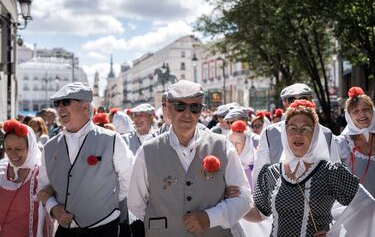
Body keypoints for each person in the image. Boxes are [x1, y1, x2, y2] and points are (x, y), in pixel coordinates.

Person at [128, 80, 252, 237]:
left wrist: (210, 217)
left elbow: (244, 198)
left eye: (194, 108)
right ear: (168, 108)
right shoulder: (147, 151)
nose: (187, 114)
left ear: (201, 110)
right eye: (180, 106)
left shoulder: (222, 146)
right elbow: (135, 204)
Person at [239, 100, 365, 236]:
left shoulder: (331, 172)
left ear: (315, 134)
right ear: (285, 133)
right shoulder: (271, 173)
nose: (298, 134)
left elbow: (365, 207)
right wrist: (229, 200)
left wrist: (334, 233)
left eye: (306, 128)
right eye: (293, 128)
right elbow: (259, 214)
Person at [38, 82, 135, 237]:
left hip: (104, 228)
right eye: (57, 103)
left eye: (66, 102)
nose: (60, 108)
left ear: (85, 106)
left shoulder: (112, 140)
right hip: (66, 229)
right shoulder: (49, 147)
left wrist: (107, 202)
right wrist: (54, 208)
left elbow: (129, 178)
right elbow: (42, 186)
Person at [253, 83, 344, 184]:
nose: (298, 102)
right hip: (280, 194)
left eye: (303, 98)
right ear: (284, 103)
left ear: (311, 101)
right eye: (292, 99)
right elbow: (260, 171)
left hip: (317, 194)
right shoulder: (270, 133)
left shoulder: (326, 134)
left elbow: (336, 171)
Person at [0, 119, 53, 237]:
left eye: (18, 149)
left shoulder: (42, 174)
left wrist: (50, 191)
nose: (12, 154)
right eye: (9, 149)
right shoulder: (1, 170)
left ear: (31, 148)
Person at [340, 86, 375, 196]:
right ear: (349, 117)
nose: (362, 114)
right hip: (357, 209)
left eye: (366, 109)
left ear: (373, 111)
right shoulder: (342, 143)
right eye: (356, 111)